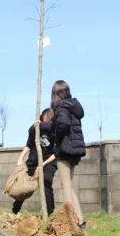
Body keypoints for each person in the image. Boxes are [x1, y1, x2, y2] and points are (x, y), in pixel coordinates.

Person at [51, 80, 87, 228]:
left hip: (65, 149)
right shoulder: (74, 107)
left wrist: (56, 141)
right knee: (69, 185)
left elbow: (63, 125)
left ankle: (71, 221)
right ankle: (80, 220)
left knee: (65, 185)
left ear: (56, 94)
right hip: (75, 150)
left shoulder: (61, 107)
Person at [13, 108, 57, 215]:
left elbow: (56, 154)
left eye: (50, 119)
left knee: (46, 182)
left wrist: (42, 165)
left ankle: (49, 212)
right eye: (46, 118)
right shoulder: (35, 129)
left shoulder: (55, 131)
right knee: (24, 185)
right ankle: (16, 209)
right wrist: (20, 158)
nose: (48, 121)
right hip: (33, 161)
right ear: (42, 117)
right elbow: (28, 145)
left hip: (48, 161)